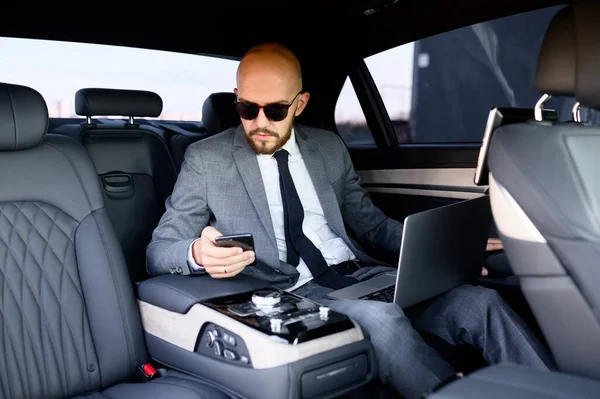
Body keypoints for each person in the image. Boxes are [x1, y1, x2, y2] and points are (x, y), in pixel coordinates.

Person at [146, 42, 554, 399]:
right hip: (295, 292)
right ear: (237, 98)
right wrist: (197, 253)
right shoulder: (206, 159)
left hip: (363, 276)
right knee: (384, 321)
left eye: (275, 110)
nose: (259, 122)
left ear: (300, 104)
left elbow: (372, 225)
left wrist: (445, 251)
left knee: (482, 303)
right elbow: (160, 249)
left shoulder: (327, 147)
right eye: (246, 108)